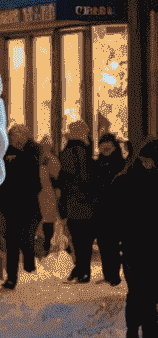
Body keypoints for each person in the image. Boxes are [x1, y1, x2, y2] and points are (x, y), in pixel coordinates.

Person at [116, 141, 158, 338]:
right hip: (135, 245)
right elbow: (115, 217)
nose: (147, 164)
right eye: (145, 160)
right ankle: (140, 333)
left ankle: (144, 334)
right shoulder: (125, 182)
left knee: (145, 292)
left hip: (143, 244)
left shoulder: (125, 180)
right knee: (141, 291)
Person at [0, 125, 41, 291]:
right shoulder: (9, 154)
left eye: (21, 135)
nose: (18, 138)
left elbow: (36, 183)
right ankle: (13, 276)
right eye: (15, 135)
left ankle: (19, 272)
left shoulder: (28, 155)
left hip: (20, 204)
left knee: (20, 239)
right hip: (15, 205)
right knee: (14, 241)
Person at [59, 121, 96, 282]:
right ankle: (82, 270)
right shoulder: (80, 150)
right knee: (84, 238)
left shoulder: (69, 150)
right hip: (83, 201)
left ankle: (80, 269)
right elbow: (83, 177)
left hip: (74, 201)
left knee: (79, 238)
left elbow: (65, 178)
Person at [90, 130, 125, 287]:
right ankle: (108, 274)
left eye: (107, 146)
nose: (104, 148)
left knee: (114, 243)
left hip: (117, 209)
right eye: (102, 146)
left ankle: (114, 274)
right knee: (104, 243)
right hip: (101, 209)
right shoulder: (97, 165)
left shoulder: (121, 164)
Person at [36, 136, 60, 256]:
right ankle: (44, 246)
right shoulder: (50, 160)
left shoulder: (47, 160)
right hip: (45, 194)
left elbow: (56, 179)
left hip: (46, 194)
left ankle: (44, 245)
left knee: (46, 221)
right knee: (46, 221)